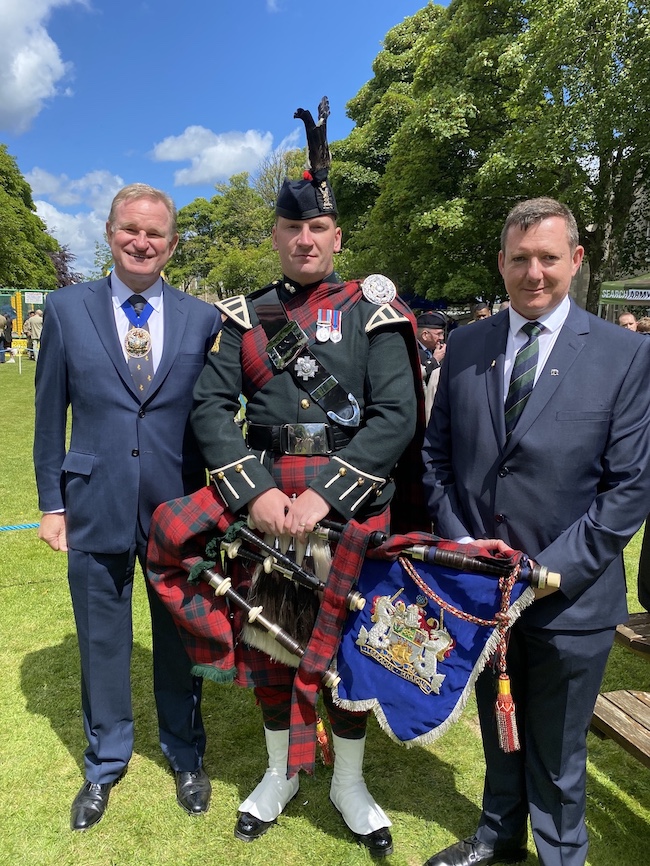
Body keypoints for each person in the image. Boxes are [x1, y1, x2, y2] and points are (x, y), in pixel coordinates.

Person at [190, 98, 421, 857]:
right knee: (269, 646)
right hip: (264, 512)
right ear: (276, 236)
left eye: (317, 227)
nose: (304, 239)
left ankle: (350, 783)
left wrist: (325, 491)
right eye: (291, 228)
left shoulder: (374, 312)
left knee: (351, 652)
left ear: (336, 236)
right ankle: (280, 773)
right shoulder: (243, 317)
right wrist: (257, 492)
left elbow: (394, 417)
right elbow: (212, 410)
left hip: (349, 510)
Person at [421, 197, 650, 866]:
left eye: (548, 257)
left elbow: (629, 486)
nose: (534, 273)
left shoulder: (624, 355)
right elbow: (438, 460)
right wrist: (462, 545)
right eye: (519, 259)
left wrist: (546, 572)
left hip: (568, 598)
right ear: (501, 263)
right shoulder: (467, 345)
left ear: (575, 261)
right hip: (483, 593)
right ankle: (500, 836)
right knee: (501, 727)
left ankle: (559, 853)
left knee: (557, 749)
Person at [34, 183, 221, 831]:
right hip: (93, 504)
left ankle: (185, 753)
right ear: (110, 233)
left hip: (179, 513)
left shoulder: (203, 319)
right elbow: (45, 418)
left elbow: (216, 416)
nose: (142, 242)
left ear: (172, 245)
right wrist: (51, 503)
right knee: (102, 641)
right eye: (129, 230)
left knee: (179, 641)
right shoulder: (64, 310)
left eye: (155, 234)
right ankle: (105, 760)